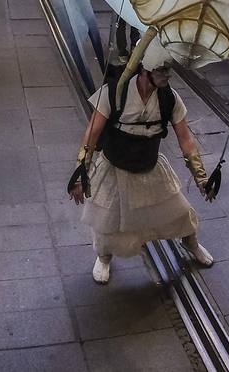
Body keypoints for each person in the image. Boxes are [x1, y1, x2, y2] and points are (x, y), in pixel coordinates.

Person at [68, 43, 215, 285]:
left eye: (168, 71)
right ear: (144, 70)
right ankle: (104, 257)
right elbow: (92, 135)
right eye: (161, 71)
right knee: (106, 220)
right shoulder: (114, 92)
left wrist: (201, 177)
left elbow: (185, 138)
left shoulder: (169, 98)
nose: (166, 76)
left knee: (179, 210)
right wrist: (80, 173)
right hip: (115, 167)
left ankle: (191, 243)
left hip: (150, 165)